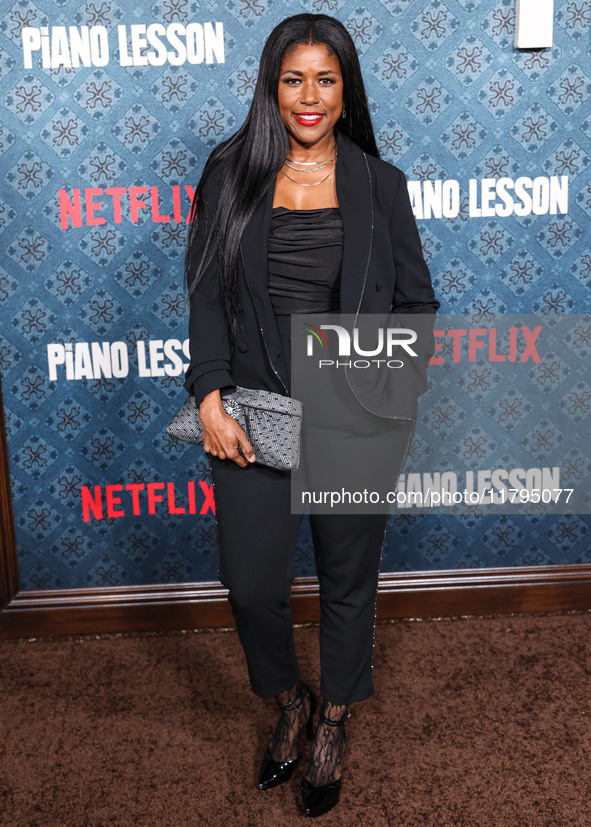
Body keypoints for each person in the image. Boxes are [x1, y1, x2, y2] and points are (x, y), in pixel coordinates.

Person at [183, 13, 439, 819]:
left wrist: (384, 397)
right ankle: (288, 696)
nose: (308, 96)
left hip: (350, 415)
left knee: (346, 582)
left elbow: (416, 301)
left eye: (325, 80)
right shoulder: (229, 174)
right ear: (270, 85)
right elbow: (205, 295)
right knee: (252, 583)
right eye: (292, 79)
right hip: (252, 411)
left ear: (344, 89)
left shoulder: (379, 183)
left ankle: (331, 718)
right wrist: (209, 393)